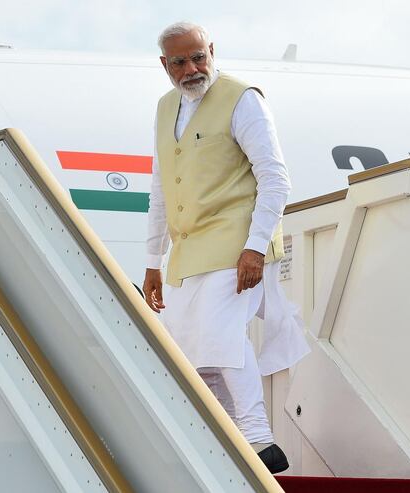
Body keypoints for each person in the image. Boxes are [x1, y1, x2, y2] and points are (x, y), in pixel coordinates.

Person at [143, 21, 310, 474]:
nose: (193, 68)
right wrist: (152, 261)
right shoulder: (165, 108)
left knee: (219, 337)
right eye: (180, 61)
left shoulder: (243, 100)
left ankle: (259, 439)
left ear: (212, 51)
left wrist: (255, 248)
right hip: (189, 249)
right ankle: (226, 437)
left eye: (200, 57)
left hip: (237, 242)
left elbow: (275, 178)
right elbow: (160, 188)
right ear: (165, 65)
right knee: (190, 351)